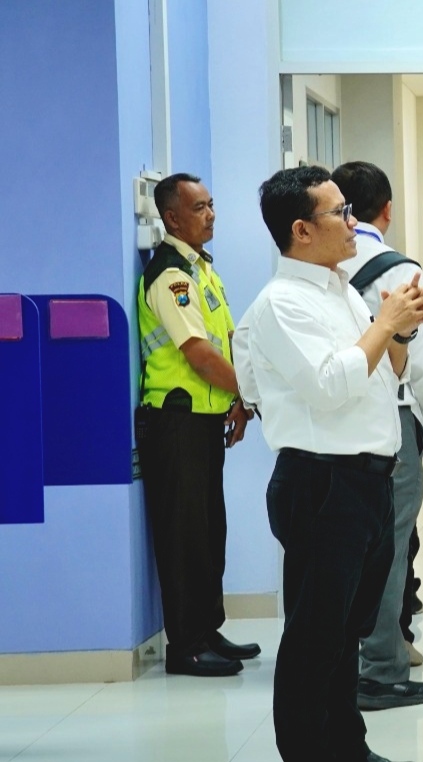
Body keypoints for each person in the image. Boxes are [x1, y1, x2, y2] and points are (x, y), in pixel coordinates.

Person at [233, 166, 423, 762]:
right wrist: (384, 325)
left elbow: (386, 376)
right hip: (321, 482)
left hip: (367, 481)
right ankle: (305, 750)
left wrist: (400, 334)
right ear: (301, 229)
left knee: (348, 631)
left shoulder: (342, 290)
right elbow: (329, 387)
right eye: (339, 213)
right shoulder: (280, 304)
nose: (353, 223)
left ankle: (347, 746)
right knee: (315, 636)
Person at [330, 161, 423, 708]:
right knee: (388, 545)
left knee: (332, 545)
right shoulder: (401, 272)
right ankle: (382, 666)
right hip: (390, 421)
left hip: (324, 425)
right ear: (386, 210)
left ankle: (333, 663)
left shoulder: (311, 266)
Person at [136, 172, 260, 678]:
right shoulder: (171, 276)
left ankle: (207, 630)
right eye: (199, 207)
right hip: (176, 421)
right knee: (184, 537)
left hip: (204, 420)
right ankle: (185, 646)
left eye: (211, 204)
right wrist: (248, 393)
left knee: (210, 532)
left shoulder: (202, 268)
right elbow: (199, 355)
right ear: (171, 218)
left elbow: (227, 342)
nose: (211, 214)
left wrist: (238, 402)